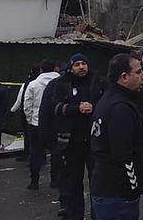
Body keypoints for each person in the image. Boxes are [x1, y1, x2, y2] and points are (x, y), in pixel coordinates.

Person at [90, 54, 143, 220]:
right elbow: (122, 155)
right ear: (124, 77)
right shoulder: (120, 108)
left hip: (107, 189)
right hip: (117, 195)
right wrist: (132, 189)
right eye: (139, 72)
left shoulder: (110, 99)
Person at [48, 53, 106, 220]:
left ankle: (98, 215)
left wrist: (93, 106)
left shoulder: (98, 82)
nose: (81, 67)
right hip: (71, 142)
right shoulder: (61, 84)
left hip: (95, 140)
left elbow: (107, 102)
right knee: (73, 183)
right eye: (77, 64)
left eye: (84, 63)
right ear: (71, 67)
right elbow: (55, 107)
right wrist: (76, 108)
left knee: (98, 182)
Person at [22, 59, 61, 190]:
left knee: (35, 153)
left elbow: (27, 104)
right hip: (55, 123)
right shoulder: (61, 83)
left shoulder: (33, 84)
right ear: (55, 68)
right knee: (56, 152)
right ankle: (55, 180)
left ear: (41, 70)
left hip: (36, 123)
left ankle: (34, 181)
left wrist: (30, 118)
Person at [10, 65, 40, 162]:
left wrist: (13, 110)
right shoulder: (44, 83)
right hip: (41, 114)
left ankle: (28, 154)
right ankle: (40, 156)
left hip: (27, 114)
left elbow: (20, 100)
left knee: (28, 136)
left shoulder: (27, 84)